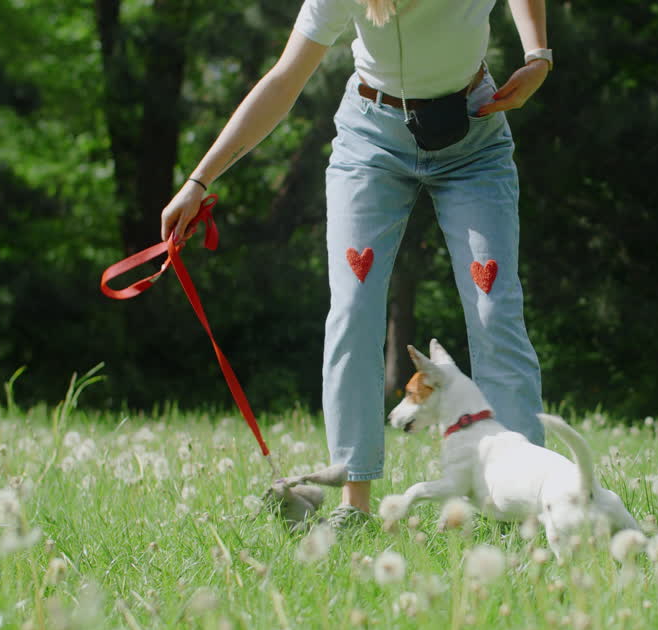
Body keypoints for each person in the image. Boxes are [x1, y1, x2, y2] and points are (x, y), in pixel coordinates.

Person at [160, 0, 552, 527]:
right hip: (371, 139)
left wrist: (538, 55)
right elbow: (284, 80)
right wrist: (198, 181)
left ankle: (526, 509)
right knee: (353, 308)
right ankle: (354, 507)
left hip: (474, 134)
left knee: (493, 309)